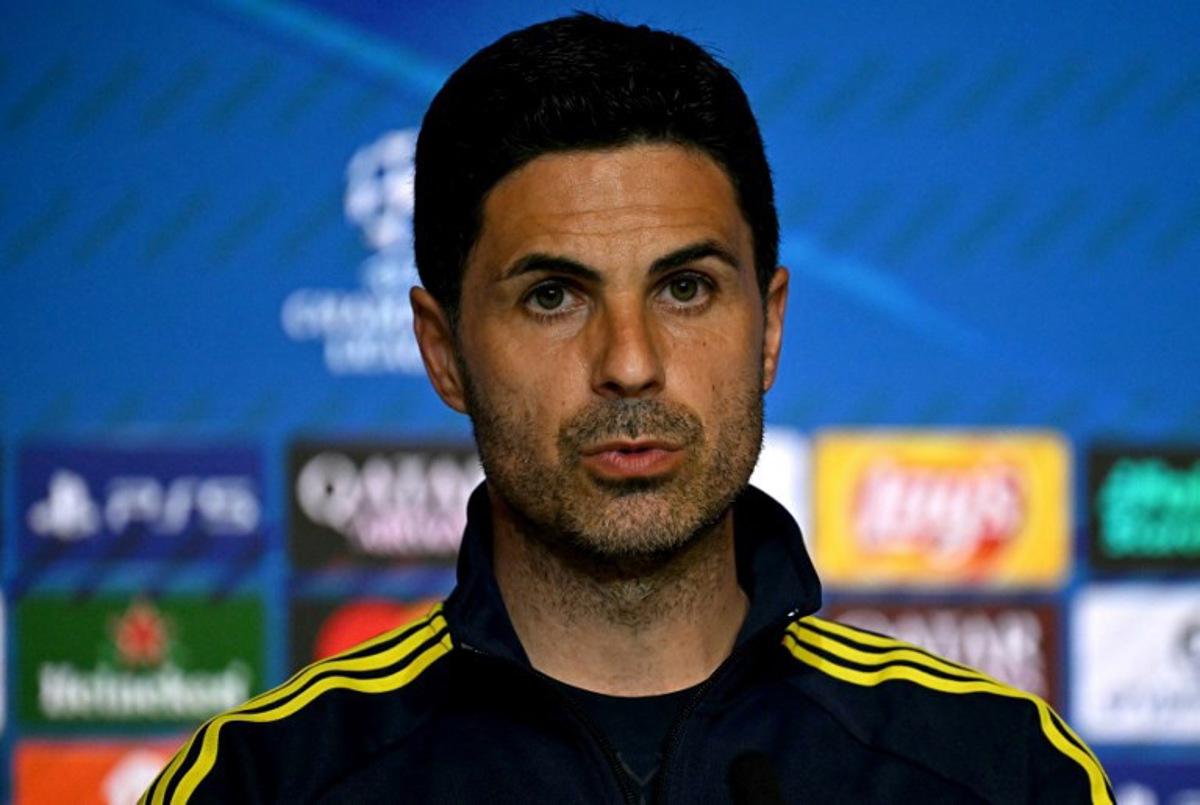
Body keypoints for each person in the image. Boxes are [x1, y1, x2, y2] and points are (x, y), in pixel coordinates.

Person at [143, 14, 1110, 804]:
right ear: (443, 351)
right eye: (554, 296)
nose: (631, 362)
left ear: (768, 326)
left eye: (685, 289)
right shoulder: (263, 782)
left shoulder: (1001, 772)